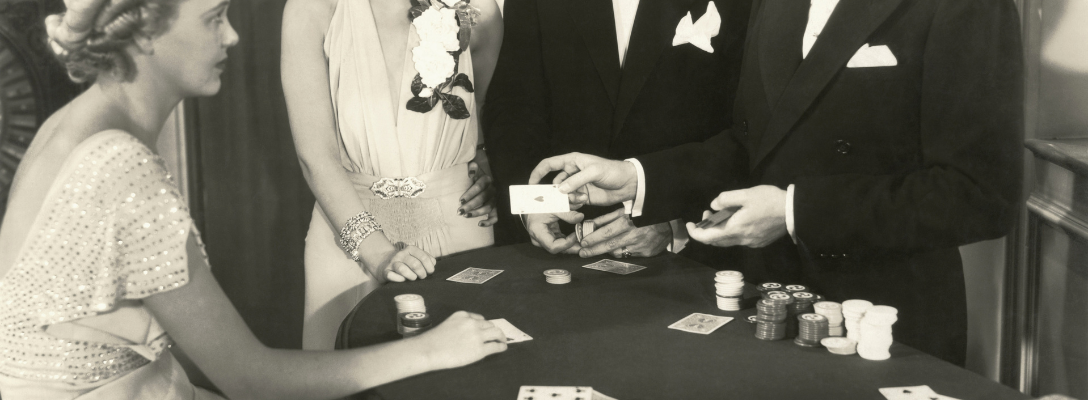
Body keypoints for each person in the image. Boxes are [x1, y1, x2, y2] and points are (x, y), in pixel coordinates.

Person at [0, 1, 506, 398]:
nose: (233, 36)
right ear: (147, 33)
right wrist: (429, 351)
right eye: (214, 18)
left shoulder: (74, 128)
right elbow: (253, 381)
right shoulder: (117, 165)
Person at [528, 0, 1024, 366]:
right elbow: (750, 147)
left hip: (883, 321)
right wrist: (637, 178)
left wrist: (794, 212)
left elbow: (980, 194)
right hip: (762, 308)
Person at [280, 0, 504, 350]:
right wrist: (378, 254)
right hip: (348, 238)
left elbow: (491, 117)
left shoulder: (477, 10)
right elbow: (315, 157)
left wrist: (491, 169)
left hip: (460, 224)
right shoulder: (312, 8)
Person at [482, 0, 752, 262]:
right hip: (558, 241)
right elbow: (513, 106)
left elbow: (747, 131)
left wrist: (675, 221)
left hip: (688, 253)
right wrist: (532, 206)